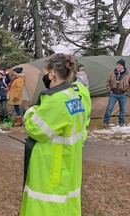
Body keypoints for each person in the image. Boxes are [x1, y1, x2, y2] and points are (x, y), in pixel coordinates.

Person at [20, 53, 87, 216]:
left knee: (47, 204)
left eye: (45, 73)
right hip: (67, 163)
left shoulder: (56, 100)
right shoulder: (73, 95)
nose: (44, 76)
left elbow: (37, 129)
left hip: (51, 167)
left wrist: (30, 111)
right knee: (65, 204)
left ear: (52, 74)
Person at [103, 59, 130, 127]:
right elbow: (108, 82)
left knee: (122, 109)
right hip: (113, 93)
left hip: (123, 94)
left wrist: (127, 92)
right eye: (117, 65)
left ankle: (121, 122)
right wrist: (109, 90)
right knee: (109, 108)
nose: (118, 66)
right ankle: (106, 121)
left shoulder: (128, 74)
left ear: (123, 66)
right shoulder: (112, 73)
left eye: (119, 65)